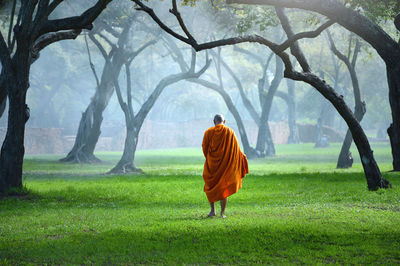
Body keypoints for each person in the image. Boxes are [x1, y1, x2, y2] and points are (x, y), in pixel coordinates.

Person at [202, 114, 249, 218]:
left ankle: (212, 211)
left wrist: (210, 159)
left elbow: (205, 148)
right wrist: (242, 157)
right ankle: (222, 213)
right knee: (224, 188)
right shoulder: (230, 132)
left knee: (211, 186)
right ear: (224, 121)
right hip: (225, 166)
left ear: (214, 122)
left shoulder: (208, 132)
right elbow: (236, 149)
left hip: (212, 165)